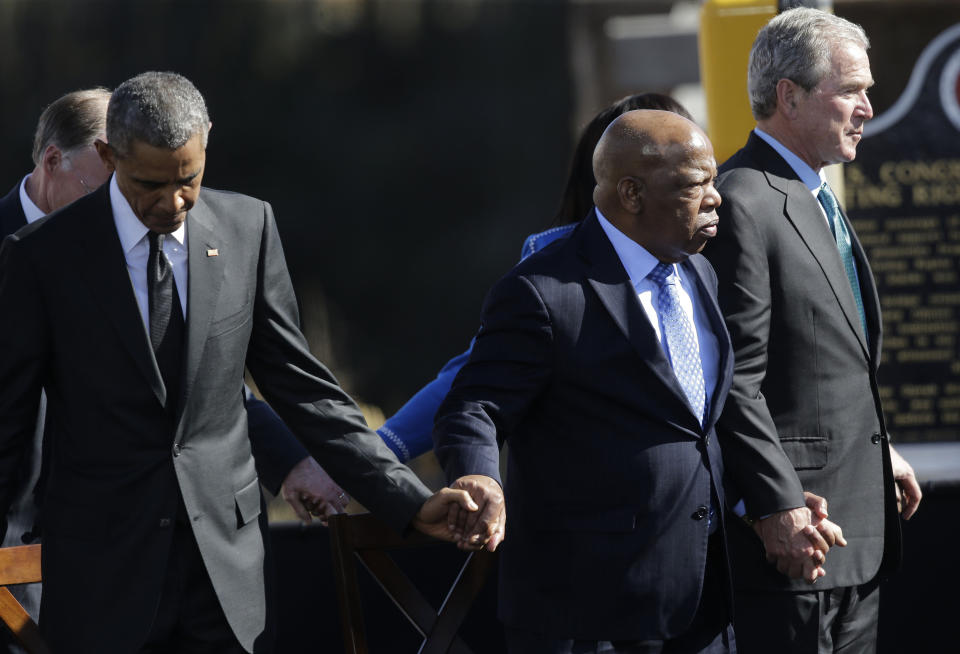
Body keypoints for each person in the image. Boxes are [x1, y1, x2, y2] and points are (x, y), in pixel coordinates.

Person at [0, 72, 479, 653]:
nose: (173, 202)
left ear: (207, 145)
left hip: (227, 584)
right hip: (103, 582)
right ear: (108, 155)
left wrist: (409, 500)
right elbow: (11, 421)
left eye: (189, 180)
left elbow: (306, 390)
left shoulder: (247, 228)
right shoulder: (40, 256)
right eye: (151, 184)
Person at [0, 88, 349, 640]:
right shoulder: (33, 254)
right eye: (122, 182)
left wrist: (290, 461)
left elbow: (199, 385)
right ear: (55, 162)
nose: (155, 203)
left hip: (173, 557)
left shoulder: (205, 233)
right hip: (40, 552)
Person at [433, 109, 736, 652]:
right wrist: (480, 478)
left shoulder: (701, 272)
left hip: (705, 597)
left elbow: (703, 420)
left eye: (715, 181)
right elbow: (471, 406)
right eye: (696, 184)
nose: (716, 198)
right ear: (632, 193)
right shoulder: (543, 291)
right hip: (590, 612)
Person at [703, 8, 922, 652]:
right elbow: (734, 379)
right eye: (852, 90)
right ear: (788, 96)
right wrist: (776, 505)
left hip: (856, 537)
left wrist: (878, 449)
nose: (867, 108)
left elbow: (826, 361)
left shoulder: (813, 195)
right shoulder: (743, 200)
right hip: (798, 542)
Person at [377, 93, 694, 462]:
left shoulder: (710, 263)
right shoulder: (555, 282)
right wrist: (378, 453)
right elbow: (474, 382)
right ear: (624, 189)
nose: (707, 196)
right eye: (683, 177)